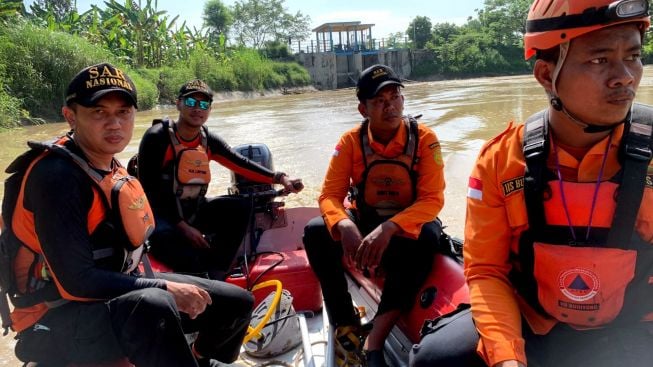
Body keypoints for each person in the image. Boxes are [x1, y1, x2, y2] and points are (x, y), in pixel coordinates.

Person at [411, 1, 653, 366]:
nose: (626, 76)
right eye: (599, 60)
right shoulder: (501, 161)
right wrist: (506, 357)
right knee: (436, 358)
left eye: (633, 56)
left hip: (630, 326)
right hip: (536, 320)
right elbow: (487, 270)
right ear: (545, 75)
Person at [0, 63, 254, 367]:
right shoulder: (56, 176)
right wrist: (165, 287)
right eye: (99, 112)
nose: (114, 124)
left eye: (123, 112)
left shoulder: (107, 162)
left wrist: (165, 286)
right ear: (71, 116)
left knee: (235, 303)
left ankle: (198, 360)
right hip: (53, 318)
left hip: (111, 294)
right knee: (155, 304)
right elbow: (77, 282)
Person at [303, 64, 446, 367]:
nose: (390, 106)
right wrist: (343, 224)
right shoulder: (350, 142)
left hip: (406, 223)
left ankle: (376, 338)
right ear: (363, 108)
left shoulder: (425, 139)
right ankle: (345, 321)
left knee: (429, 237)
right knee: (316, 231)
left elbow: (433, 199)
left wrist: (392, 227)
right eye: (380, 101)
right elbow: (330, 195)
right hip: (365, 218)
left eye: (395, 97)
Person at [137, 79, 303, 280]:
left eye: (204, 104)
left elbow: (240, 163)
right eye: (191, 103)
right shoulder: (157, 138)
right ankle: (197, 272)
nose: (198, 109)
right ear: (178, 103)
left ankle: (218, 270)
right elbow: (148, 191)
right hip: (161, 218)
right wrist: (184, 228)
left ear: (209, 109)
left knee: (241, 206)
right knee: (174, 245)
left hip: (193, 210)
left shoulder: (208, 140)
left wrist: (281, 178)